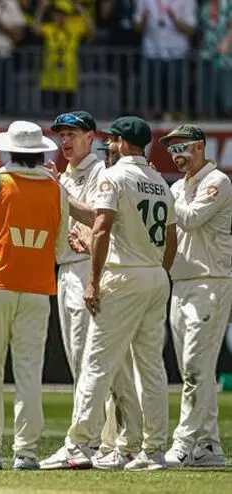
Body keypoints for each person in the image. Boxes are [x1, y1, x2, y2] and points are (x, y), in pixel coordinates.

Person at [41, 116, 176, 471]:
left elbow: (100, 229)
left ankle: (78, 445)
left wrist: (93, 281)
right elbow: (172, 237)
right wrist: (158, 271)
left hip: (123, 276)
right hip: (154, 276)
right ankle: (151, 450)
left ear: (123, 143)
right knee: (151, 367)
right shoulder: (159, 182)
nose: (109, 146)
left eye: (113, 141)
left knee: (96, 364)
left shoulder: (113, 176)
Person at [0, 120, 68, 471]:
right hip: (37, 288)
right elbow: (61, 246)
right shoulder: (57, 189)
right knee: (29, 373)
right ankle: (26, 452)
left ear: (9, 150)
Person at [50, 111, 142, 469]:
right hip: (66, 269)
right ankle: (110, 442)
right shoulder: (66, 174)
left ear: (91, 137)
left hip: (88, 270)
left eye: (72, 134)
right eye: (61, 135)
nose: (65, 141)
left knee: (99, 362)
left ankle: (105, 442)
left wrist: (58, 192)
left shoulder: (100, 172)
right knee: (85, 362)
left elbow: (98, 219)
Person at [159, 125, 232, 468]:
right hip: (182, 282)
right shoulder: (177, 187)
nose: (177, 156)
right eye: (172, 150)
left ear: (200, 146)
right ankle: (209, 446)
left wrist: (159, 190)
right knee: (195, 370)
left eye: (183, 148)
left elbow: (188, 219)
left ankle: (183, 443)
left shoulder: (217, 181)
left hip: (210, 282)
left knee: (195, 368)